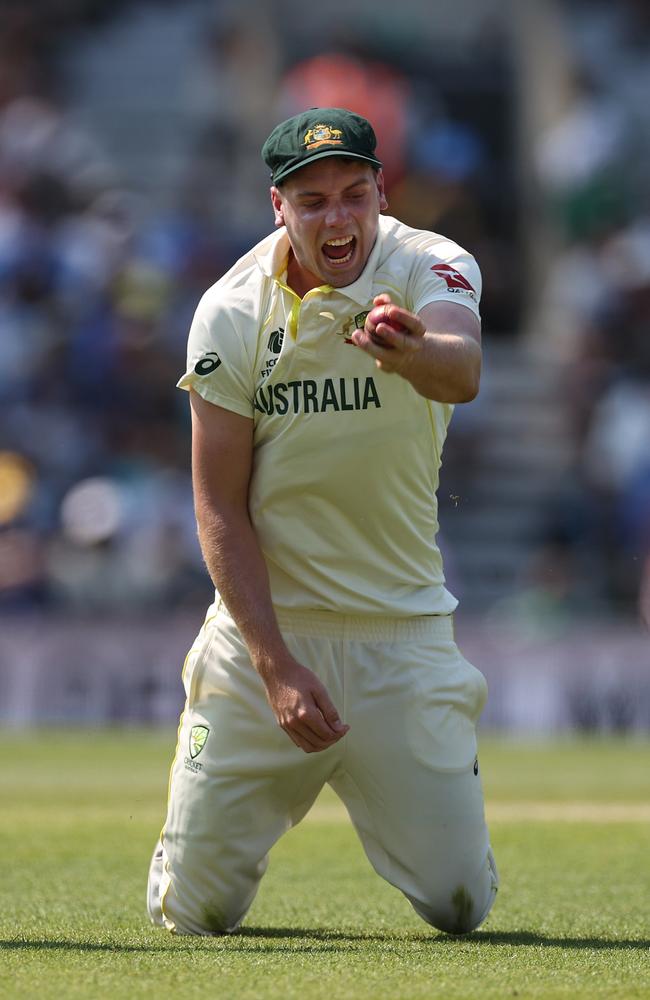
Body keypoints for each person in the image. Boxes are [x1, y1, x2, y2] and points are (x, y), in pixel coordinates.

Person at [147, 107, 498, 936]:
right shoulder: (230, 311)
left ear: (381, 189)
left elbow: (463, 370)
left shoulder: (430, 264)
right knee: (193, 913)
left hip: (401, 636)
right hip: (266, 638)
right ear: (279, 207)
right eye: (312, 202)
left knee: (460, 907)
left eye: (352, 193)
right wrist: (274, 666)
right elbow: (217, 505)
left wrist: (409, 352)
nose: (337, 218)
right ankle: (181, 849)